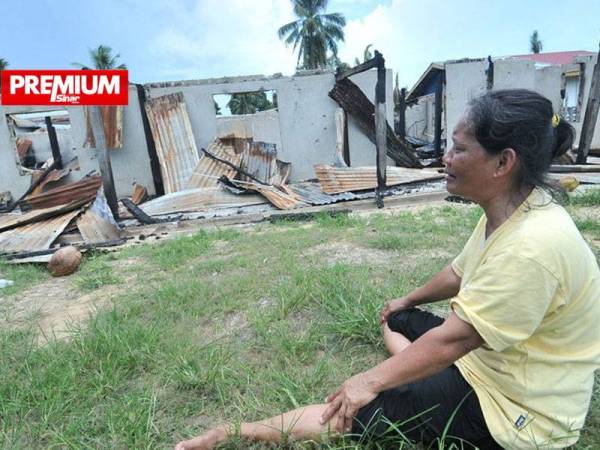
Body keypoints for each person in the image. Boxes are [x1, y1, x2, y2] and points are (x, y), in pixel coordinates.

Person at [175, 89, 600, 450]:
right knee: (399, 318)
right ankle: (413, 366)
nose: (446, 158)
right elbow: (458, 272)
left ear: (502, 163)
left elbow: (452, 341)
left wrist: (367, 382)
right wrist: (406, 301)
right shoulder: (510, 209)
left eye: (460, 148)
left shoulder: (531, 248)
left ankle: (227, 433)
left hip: (516, 410)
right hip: (491, 357)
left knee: (356, 411)